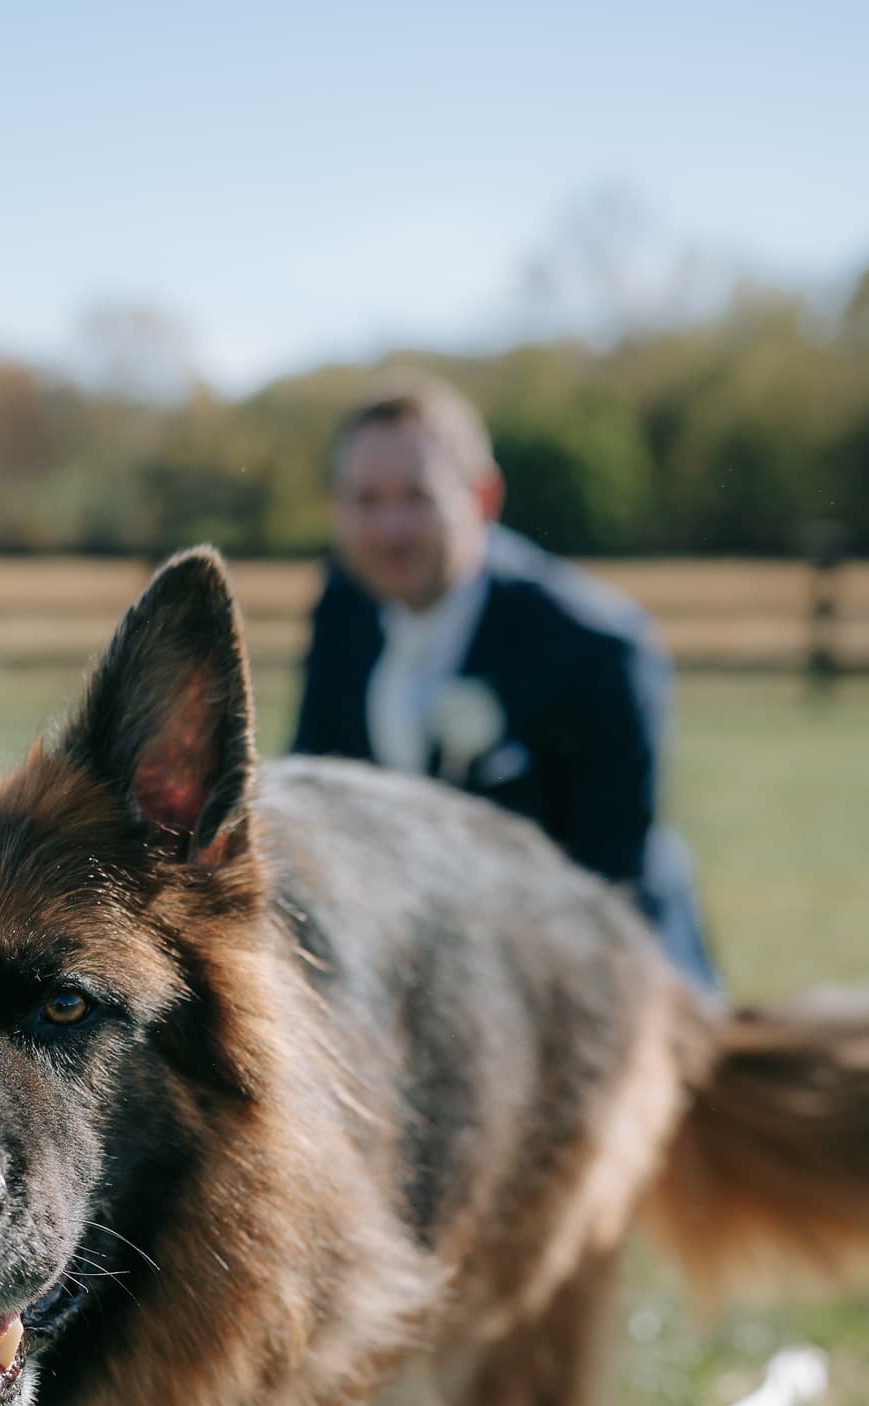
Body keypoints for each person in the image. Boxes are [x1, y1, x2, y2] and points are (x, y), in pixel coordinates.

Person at [292, 372, 717, 987]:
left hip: (609, 984)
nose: (389, 530)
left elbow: (608, 883)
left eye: (416, 497)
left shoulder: (597, 649)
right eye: (366, 500)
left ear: (482, 498)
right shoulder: (343, 607)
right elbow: (316, 799)